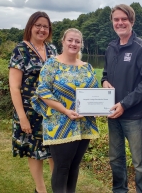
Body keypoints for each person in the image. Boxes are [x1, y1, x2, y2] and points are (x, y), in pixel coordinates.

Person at [31, 28, 99, 193]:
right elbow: (43, 91)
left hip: (83, 124)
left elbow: (95, 93)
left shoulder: (87, 67)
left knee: (74, 167)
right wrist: (65, 110)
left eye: (77, 41)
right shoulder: (52, 64)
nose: (73, 44)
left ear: (81, 44)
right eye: (70, 40)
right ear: (63, 41)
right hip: (60, 124)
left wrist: (98, 108)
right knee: (61, 167)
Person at [101, 4, 142, 193]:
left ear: (131, 21)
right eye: (116, 19)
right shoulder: (111, 47)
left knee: (139, 162)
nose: (120, 23)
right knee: (115, 158)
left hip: (133, 116)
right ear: (112, 22)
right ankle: (119, 190)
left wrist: (124, 104)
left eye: (124, 19)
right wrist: (104, 82)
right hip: (112, 114)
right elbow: (105, 74)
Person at [9, 11, 57, 193]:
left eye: (45, 26)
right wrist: (22, 117)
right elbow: (14, 87)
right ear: (30, 26)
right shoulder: (21, 50)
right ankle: (40, 189)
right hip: (30, 111)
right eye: (38, 25)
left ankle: (57, 187)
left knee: (54, 150)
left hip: (52, 110)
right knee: (35, 152)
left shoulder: (52, 50)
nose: (42, 29)